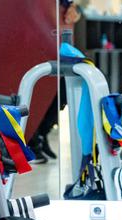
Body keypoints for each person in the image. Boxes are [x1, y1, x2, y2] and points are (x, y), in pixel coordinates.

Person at [29, 0, 82, 164]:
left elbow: (73, 7)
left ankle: (42, 132)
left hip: (52, 36)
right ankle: (32, 138)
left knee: (61, 92)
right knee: (38, 92)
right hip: (31, 37)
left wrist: (75, 8)